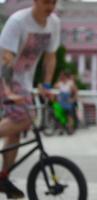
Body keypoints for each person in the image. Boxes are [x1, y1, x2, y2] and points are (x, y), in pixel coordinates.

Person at [0, 0, 60, 198]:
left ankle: (3, 178)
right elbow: (6, 58)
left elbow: (50, 56)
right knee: (24, 119)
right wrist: (8, 92)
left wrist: (46, 86)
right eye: (45, 1)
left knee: (16, 131)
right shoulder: (18, 21)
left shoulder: (54, 23)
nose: (50, 6)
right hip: (4, 77)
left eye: (54, 2)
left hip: (23, 82)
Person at [55, 70, 78, 134]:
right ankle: (62, 128)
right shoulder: (60, 83)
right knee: (61, 114)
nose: (61, 77)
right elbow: (54, 87)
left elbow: (75, 92)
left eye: (62, 76)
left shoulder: (70, 83)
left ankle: (70, 128)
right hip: (62, 102)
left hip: (68, 101)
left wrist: (73, 99)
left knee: (69, 115)